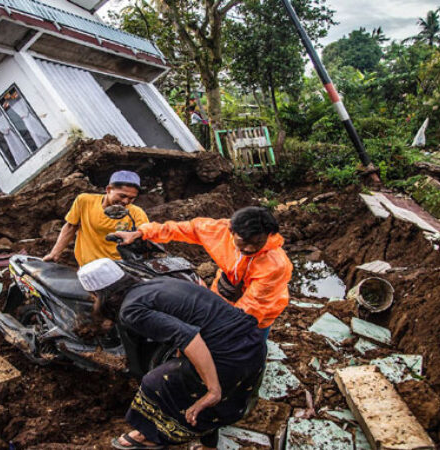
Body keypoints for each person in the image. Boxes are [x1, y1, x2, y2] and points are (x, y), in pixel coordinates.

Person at [77, 258, 265, 450]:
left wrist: (212, 390)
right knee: (182, 376)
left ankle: (150, 435)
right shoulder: (156, 284)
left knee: (154, 382)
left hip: (229, 355)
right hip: (253, 343)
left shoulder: (130, 310)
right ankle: (209, 440)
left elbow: (188, 336)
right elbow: (189, 321)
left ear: (98, 295)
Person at [112, 207, 292, 338]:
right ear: (231, 231)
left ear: (269, 235)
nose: (249, 248)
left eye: (257, 242)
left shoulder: (275, 266)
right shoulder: (218, 231)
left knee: (249, 345)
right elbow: (182, 228)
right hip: (223, 292)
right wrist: (140, 233)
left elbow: (251, 310)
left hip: (258, 315)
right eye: (243, 241)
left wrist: (216, 330)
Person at [43, 171, 149, 265]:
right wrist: (54, 254)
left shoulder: (136, 212)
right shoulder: (85, 201)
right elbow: (71, 227)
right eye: (122, 196)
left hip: (117, 267)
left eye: (131, 198)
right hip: (87, 267)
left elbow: (146, 230)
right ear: (108, 189)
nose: (126, 201)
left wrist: (134, 234)